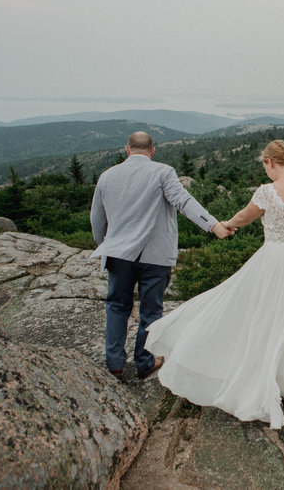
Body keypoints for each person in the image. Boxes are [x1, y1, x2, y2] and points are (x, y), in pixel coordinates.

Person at [145, 139, 284, 429]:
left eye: (265, 165)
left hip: (277, 259)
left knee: (268, 318)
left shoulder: (267, 192)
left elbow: (244, 217)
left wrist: (226, 225)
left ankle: (264, 384)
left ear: (271, 163)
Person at [91, 131, 233, 380]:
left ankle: (114, 362)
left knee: (116, 305)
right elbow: (184, 202)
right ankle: (145, 362)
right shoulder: (163, 172)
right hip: (154, 256)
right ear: (152, 151)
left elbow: (97, 218)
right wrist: (213, 226)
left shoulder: (107, 176)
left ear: (127, 150)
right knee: (151, 311)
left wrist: (105, 244)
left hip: (118, 255)